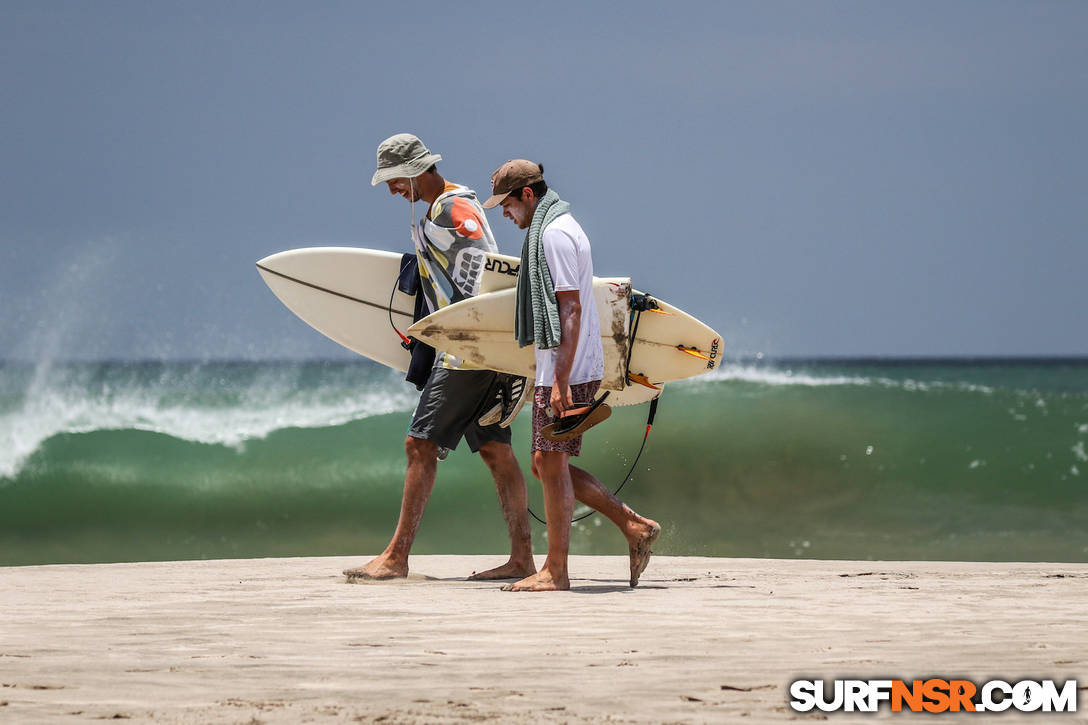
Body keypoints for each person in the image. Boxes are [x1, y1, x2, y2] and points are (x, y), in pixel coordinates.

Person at [342, 134, 535, 582]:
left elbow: (486, 256)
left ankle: (396, 557)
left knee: (420, 445)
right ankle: (522, 558)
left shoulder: (453, 207)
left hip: (467, 349)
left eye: (395, 179)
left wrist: (473, 326)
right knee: (495, 451)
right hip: (480, 344)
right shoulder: (441, 208)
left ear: (416, 170)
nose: (392, 189)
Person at [482, 159, 661, 592]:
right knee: (544, 463)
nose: (504, 213)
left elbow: (571, 308)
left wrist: (560, 380)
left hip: (570, 366)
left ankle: (556, 570)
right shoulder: (555, 227)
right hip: (564, 363)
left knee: (551, 463)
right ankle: (633, 526)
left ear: (528, 194)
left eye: (507, 203)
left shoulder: (554, 235)